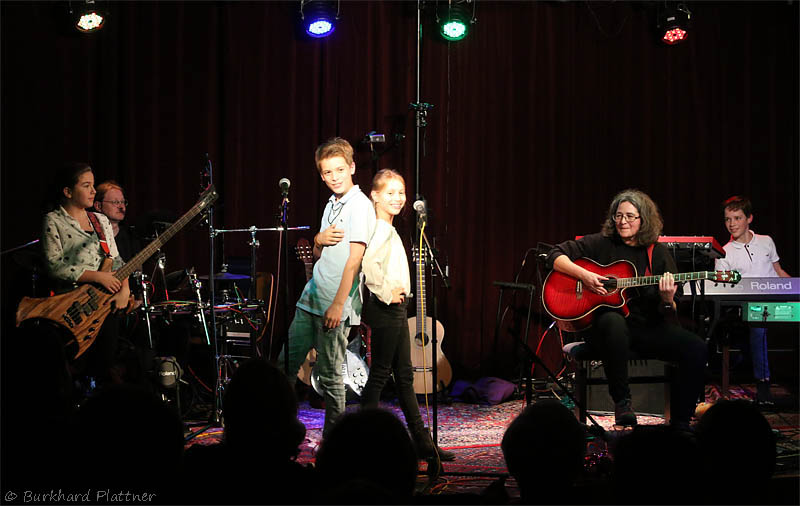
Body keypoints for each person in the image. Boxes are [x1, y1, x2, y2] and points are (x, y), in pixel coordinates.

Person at [546, 189, 707, 428]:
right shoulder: (600, 243)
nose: (623, 221)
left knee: (696, 347)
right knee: (613, 321)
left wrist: (666, 299)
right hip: (604, 330)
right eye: (618, 215)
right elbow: (553, 254)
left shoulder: (657, 253)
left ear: (644, 219)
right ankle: (622, 403)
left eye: (630, 216)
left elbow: (669, 312)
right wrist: (585, 276)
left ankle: (681, 422)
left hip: (645, 328)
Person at [279, 137, 376, 438]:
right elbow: (319, 254)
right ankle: (276, 430)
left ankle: (335, 442)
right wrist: (318, 239)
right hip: (310, 299)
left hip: (335, 306)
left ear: (352, 168)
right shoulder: (331, 204)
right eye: (328, 172)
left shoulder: (360, 206)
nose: (334, 177)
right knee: (284, 367)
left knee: (331, 377)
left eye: (339, 170)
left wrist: (337, 304)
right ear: (321, 175)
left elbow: (354, 261)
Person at [360, 169, 455, 461]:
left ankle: (422, 441)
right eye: (390, 193)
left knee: (403, 375)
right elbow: (368, 265)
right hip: (386, 308)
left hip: (396, 308)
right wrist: (386, 293)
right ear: (375, 196)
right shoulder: (379, 229)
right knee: (381, 374)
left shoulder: (388, 229)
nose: (398, 198)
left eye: (400, 192)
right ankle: (362, 440)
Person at [40, 162, 131, 385]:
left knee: (104, 364)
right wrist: (97, 276)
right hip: (72, 307)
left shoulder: (100, 220)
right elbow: (54, 266)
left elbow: (117, 260)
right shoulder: (53, 220)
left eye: (93, 185)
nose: (93, 191)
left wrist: (125, 290)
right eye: (86, 185)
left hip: (104, 305)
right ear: (68, 191)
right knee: (73, 369)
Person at [715, 196, 791, 404]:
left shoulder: (766, 242)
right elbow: (722, 287)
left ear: (749, 218)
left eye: (737, 218)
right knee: (758, 324)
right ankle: (763, 385)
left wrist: (796, 288)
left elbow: (778, 271)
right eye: (728, 219)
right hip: (749, 306)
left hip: (776, 300)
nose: (732, 224)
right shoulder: (724, 253)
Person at [93, 180, 141, 262]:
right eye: (115, 202)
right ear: (98, 206)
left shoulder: (131, 236)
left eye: (123, 202)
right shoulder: (89, 235)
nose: (122, 207)